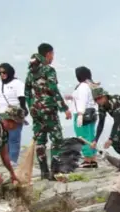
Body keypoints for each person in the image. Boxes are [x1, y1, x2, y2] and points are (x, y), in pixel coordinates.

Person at [25, 43, 71, 180]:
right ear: (48, 54)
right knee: (57, 140)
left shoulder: (31, 71)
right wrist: (65, 108)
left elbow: (27, 92)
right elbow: (53, 90)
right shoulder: (48, 70)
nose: (53, 57)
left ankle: (44, 172)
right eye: (53, 54)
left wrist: (31, 106)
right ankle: (55, 171)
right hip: (49, 110)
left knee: (40, 140)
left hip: (36, 110)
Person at [0, 63, 28, 164]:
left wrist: (23, 111)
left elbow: (22, 99)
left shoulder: (18, 83)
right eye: (0, 73)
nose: (2, 74)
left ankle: (13, 160)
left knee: (14, 138)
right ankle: (7, 160)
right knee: (3, 140)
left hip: (13, 114)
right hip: (1, 114)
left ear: (9, 71)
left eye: (4, 72)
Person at [69, 67, 98, 168]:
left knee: (82, 137)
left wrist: (80, 114)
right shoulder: (90, 85)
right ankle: (93, 158)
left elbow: (82, 100)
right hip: (92, 113)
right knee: (91, 135)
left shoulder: (82, 86)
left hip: (83, 113)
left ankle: (87, 159)